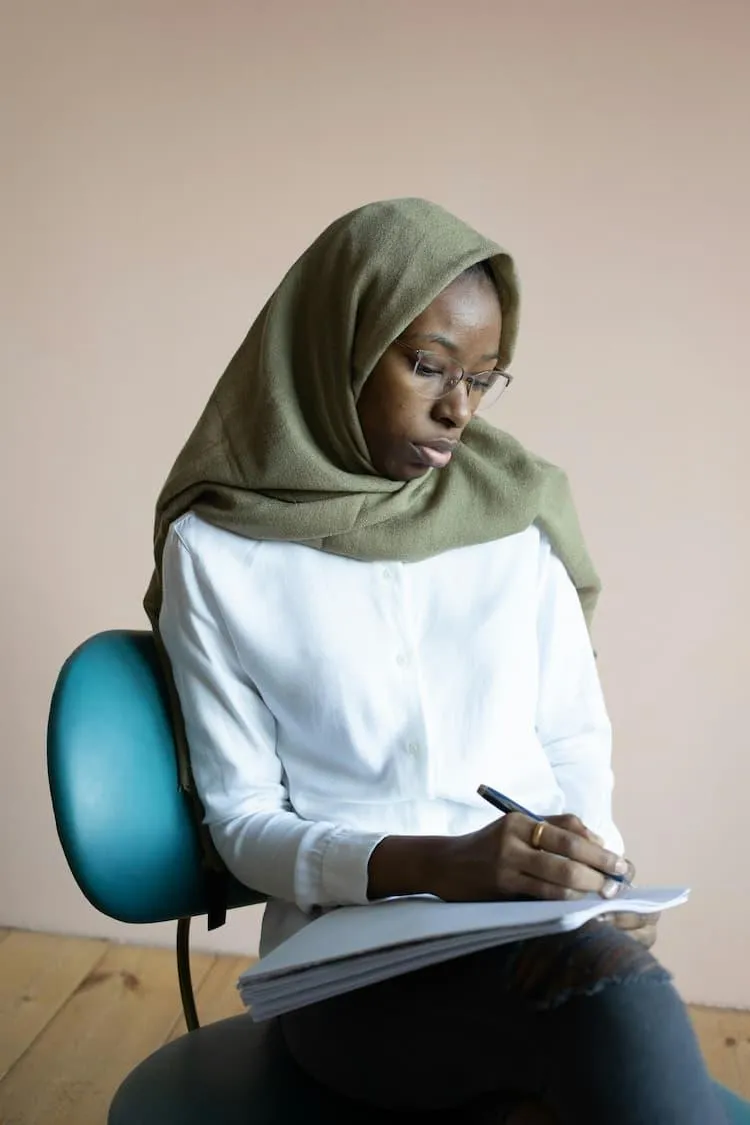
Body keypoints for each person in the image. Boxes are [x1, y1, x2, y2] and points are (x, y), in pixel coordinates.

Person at [147, 199, 726, 1123]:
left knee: (607, 1008)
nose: (459, 410)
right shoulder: (217, 548)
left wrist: (596, 868)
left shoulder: (515, 509)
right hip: (350, 969)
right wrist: (434, 861)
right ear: (338, 341)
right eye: (428, 367)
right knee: (604, 1027)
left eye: (487, 379)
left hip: (541, 937)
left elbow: (570, 734)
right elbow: (243, 823)